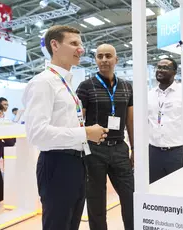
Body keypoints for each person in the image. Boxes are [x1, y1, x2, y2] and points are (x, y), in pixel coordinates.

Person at [22, 25, 109, 230]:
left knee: (72, 223)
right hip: (56, 164)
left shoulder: (66, 83)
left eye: (80, 44)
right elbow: (37, 134)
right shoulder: (43, 82)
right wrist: (85, 133)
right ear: (54, 45)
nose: (81, 49)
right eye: (74, 43)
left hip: (76, 163)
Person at [76, 43, 134, 230]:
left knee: (130, 197)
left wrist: (135, 148)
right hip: (94, 150)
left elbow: (130, 121)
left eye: (108, 56)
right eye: (100, 56)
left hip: (119, 148)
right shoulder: (86, 86)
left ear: (116, 60)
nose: (104, 60)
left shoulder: (126, 86)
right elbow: (78, 120)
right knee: (95, 201)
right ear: (95, 60)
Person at [148, 58, 183, 184]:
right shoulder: (150, 95)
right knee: (155, 191)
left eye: (165, 67)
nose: (160, 70)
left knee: (180, 190)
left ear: (174, 72)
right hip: (153, 153)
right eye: (158, 67)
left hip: (177, 153)